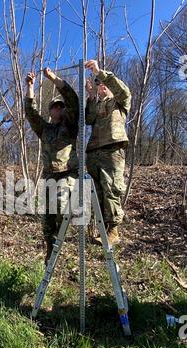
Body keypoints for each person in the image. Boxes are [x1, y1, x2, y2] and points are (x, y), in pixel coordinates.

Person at [25, 68, 79, 264]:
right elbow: (30, 112)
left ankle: (62, 236)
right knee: (47, 220)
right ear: (50, 111)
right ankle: (51, 247)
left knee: (60, 201)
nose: (59, 109)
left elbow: (72, 99)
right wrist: (30, 87)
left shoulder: (71, 125)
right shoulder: (45, 129)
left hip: (68, 174)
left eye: (61, 106)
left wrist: (53, 79)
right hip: (49, 177)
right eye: (55, 107)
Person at [85, 60, 132, 246]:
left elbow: (123, 91)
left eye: (103, 83)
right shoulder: (97, 105)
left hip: (112, 149)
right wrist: (90, 96)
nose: (100, 85)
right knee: (98, 192)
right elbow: (88, 119)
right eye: (98, 84)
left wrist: (99, 72)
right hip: (94, 151)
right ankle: (103, 228)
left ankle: (113, 230)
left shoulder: (119, 102)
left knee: (111, 188)